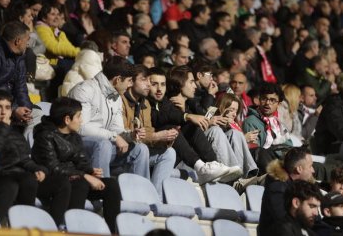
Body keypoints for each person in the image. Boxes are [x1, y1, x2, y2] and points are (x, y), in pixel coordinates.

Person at [32, 97, 121, 231]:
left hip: (76, 180)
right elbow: (52, 168)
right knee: (80, 183)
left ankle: (113, 231)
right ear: (67, 119)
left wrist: (90, 171)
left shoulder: (74, 136)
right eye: (79, 116)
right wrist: (84, 176)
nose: (81, 120)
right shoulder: (44, 136)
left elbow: (81, 160)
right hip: (56, 183)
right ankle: (74, 229)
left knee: (111, 185)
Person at [148, 67, 240, 184]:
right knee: (173, 129)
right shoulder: (154, 102)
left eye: (163, 84)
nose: (195, 86)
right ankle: (206, 168)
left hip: (182, 158)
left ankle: (213, 166)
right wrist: (187, 115)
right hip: (165, 158)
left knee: (193, 126)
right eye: (191, 82)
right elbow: (159, 118)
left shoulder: (175, 103)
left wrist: (185, 112)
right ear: (180, 84)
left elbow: (199, 119)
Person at [68, 58, 149, 179]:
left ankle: (141, 194)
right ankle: (103, 191)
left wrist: (130, 135)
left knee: (140, 149)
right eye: (129, 81)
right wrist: (114, 137)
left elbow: (116, 129)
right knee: (103, 144)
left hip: (105, 146)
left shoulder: (116, 96)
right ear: (117, 79)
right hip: (76, 146)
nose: (130, 85)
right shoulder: (84, 90)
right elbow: (80, 128)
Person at [0, 90, 46, 223]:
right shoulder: (0, 129)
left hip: (11, 175)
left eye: (7, 108)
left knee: (30, 179)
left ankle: (25, 226)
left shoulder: (14, 133)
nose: (3, 112)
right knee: (10, 185)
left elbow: (23, 158)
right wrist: (3, 127)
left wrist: (37, 169)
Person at [120, 65, 176, 199]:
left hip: (140, 149)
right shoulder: (120, 100)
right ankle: (142, 196)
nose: (148, 85)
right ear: (131, 82)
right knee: (141, 149)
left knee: (169, 153)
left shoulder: (145, 103)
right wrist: (156, 136)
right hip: (122, 151)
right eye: (144, 80)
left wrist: (165, 140)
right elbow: (122, 133)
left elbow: (148, 132)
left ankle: (155, 198)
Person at [258, 147, 315, 235]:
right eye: (310, 166)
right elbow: (283, 222)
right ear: (299, 169)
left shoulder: (300, 187)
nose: (313, 170)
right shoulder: (277, 188)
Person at [0, 21, 33, 123]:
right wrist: (13, 109)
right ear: (18, 41)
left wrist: (26, 110)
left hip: (12, 104)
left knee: (38, 116)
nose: (28, 44)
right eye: (27, 40)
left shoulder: (19, 56)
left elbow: (21, 88)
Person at [243, 83, 292, 173]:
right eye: (264, 99)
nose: (267, 103)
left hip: (282, 162)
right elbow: (255, 153)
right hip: (263, 168)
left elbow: (288, 146)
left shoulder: (279, 123)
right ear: (259, 100)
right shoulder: (250, 122)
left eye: (272, 100)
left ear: (279, 104)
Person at [215, 93, 258, 177]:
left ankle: (250, 174)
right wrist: (243, 138)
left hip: (235, 163)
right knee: (234, 133)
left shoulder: (235, 124)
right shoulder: (214, 121)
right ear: (222, 108)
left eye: (236, 110)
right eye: (231, 110)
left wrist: (245, 141)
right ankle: (241, 176)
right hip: (221, 162)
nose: (234, 114)